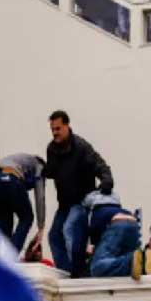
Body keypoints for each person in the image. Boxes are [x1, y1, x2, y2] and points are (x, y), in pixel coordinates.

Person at [44, 110, 113, 277]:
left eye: (58, 128)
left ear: (67, 126)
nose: (55, 133)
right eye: (52, 129)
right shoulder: (52, 148)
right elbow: (52, 170)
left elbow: (100, 164)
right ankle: (66, 271)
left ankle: (79, 270)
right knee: (54, 236)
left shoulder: (81, 147)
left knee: (69, 229)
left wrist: (106, 180)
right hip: (64, 203)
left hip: (81, 200)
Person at [0, 153, 46, 252]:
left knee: (3, 220)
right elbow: (40, 197)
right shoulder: (39, 165)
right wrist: (41, 227)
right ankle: (10, 255)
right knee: (26, 217)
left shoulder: (19, 160)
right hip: (11, 178)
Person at [84, 190, 142, 279]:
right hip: (133, 223)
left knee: (96, 267)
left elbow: (96, 240)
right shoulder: (115, 204)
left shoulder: (93, 212)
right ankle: (143, 260)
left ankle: (130, 261)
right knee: (127, 259)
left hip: (117, 224)